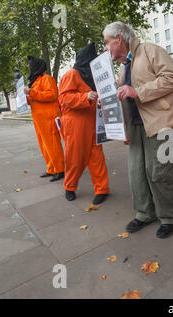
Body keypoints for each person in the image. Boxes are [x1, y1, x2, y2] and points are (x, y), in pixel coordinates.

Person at [102, 22, 173, 239]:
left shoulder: (151, 51)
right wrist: (108, 102)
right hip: (138, 127)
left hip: (162, 122)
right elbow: (126, 95)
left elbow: (171, 79)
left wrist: (137, 91)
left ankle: (169, 217)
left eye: (106, 42)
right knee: (136, 175)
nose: (105, 48)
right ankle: (144, 213)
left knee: (158, 174)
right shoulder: (123, 66)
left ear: (119, 39)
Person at [58, 43, 109, 205]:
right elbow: (64, 99)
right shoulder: (71, 74)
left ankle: (102, 189)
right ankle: (70, 187)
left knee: (97, 156)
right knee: (74, 158)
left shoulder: (95, 76)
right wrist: (85, 97)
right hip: (75, 124)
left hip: (94, 121)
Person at [24, 56, 65, 182]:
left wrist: (31, 92)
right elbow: (33, 100)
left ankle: (60, 169)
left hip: (49, 118)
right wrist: (24, 97)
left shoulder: (47, 79)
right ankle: (51, 168)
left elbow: (52, 95)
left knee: (52, 144)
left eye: (31, 66)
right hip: (39, 119)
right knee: (44, 145)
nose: (30, 68)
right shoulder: (36, 81)